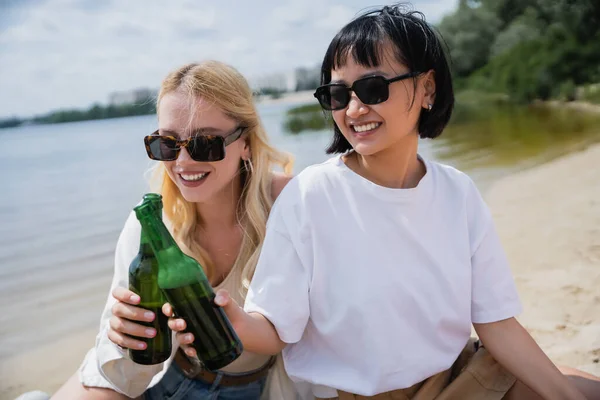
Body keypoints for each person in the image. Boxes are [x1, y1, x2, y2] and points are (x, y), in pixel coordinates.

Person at [172, 5, 600, 400]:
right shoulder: (310, 196)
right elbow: (275, 331)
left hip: (454, 378)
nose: (355, 109)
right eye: (338, 96)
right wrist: (229, 321)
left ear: (427, 87)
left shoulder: (458, 192)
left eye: (373, 88)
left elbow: (496, 323)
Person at [47, 60, 309, 400]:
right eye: (167, 144)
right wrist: (124, 331)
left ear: (245, 142)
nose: (182, 163)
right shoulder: (154, 223)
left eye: (204, 143)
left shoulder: (289, 203)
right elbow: (127, 365)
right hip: (169, 380)